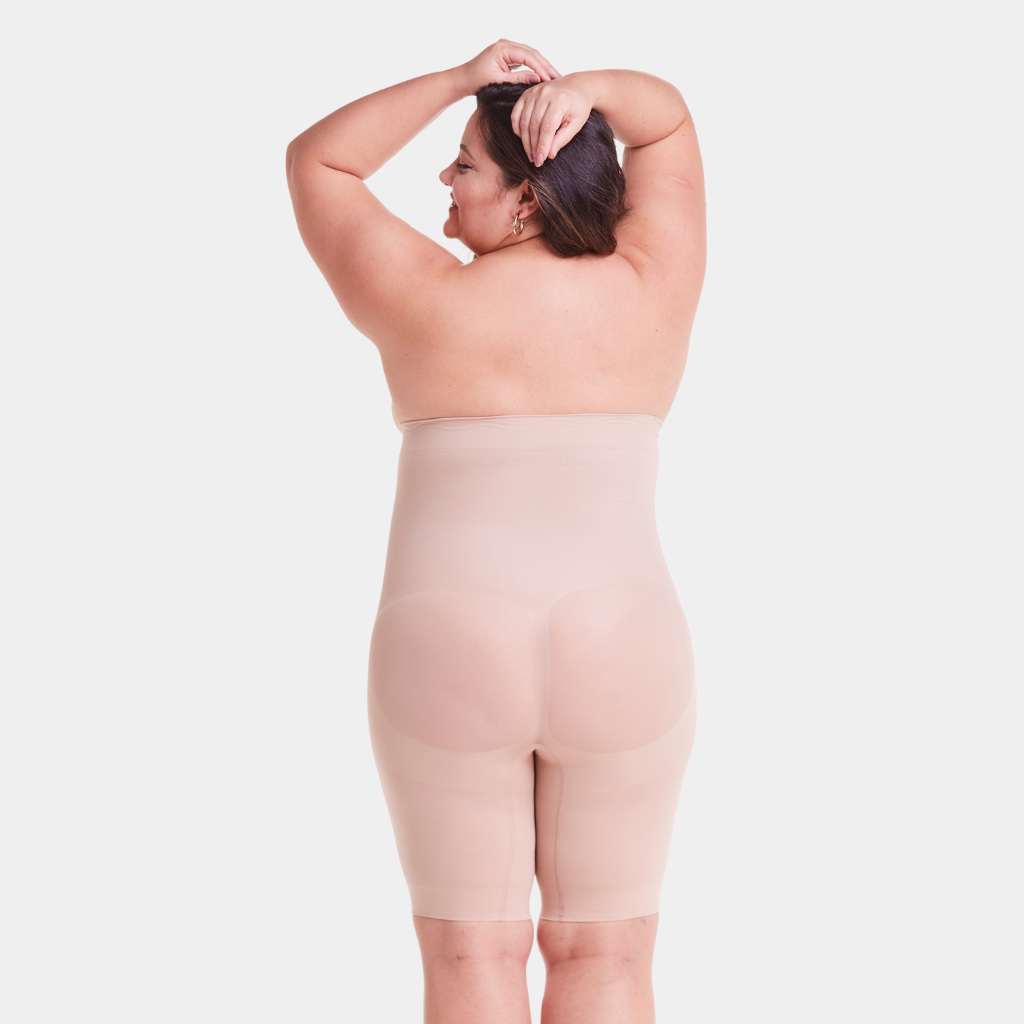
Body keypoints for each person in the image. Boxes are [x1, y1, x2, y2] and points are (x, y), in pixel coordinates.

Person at [286, 39, 705, 1024]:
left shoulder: (422, 299)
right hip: (623, 643)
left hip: (448, 645)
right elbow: (669, 124)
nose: (444, 175)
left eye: (464, 163)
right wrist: (589, 92)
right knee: (607, 954)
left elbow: (319, 161)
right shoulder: (651, 284)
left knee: (469, 954)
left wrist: (455, 80)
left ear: (526, 200)